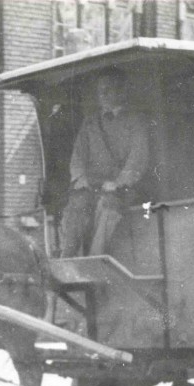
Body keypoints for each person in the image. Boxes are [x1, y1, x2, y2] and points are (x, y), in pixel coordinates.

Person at [60, 69, 150, 257]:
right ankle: (66, 259)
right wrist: (81, 179)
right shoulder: (90, 123)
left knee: (107, 205)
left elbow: (137, 158)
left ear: (121, 92)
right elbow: (78, 155)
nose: (104, 95)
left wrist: (118, 183)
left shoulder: (135, 122)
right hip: (94, 186)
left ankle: (96, 260)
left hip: (124, 190)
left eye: (109, 89)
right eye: (101, 90)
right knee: (76, 204)